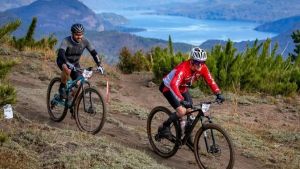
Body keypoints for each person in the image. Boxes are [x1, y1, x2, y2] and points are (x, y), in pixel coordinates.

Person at [158, 47, 225, 144]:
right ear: (192, 61)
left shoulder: (202, 68)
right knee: (181, 111)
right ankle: (164, 127)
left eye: (203, 62)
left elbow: (210, 81)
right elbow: (173, 84)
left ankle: (187, 135)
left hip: (182, 88)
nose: (200, 65)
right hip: (168, 87)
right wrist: (181, 100)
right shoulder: (183, 68)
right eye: (197, 62)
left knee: (191, 111)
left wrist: (218, 93)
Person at [56, 23, 104, 98]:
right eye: (77, 35)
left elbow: (94, 53)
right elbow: (61, 53)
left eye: (81, 34)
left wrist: (99, 65)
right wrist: (67, 63)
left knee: (79, 84)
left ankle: (72, 101)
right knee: (67, 69)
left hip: (75, 64)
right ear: (72, 33)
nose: (79, 37)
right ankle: (62, 87)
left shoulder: (85, 41)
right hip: (63, 60)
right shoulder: (66, 40)